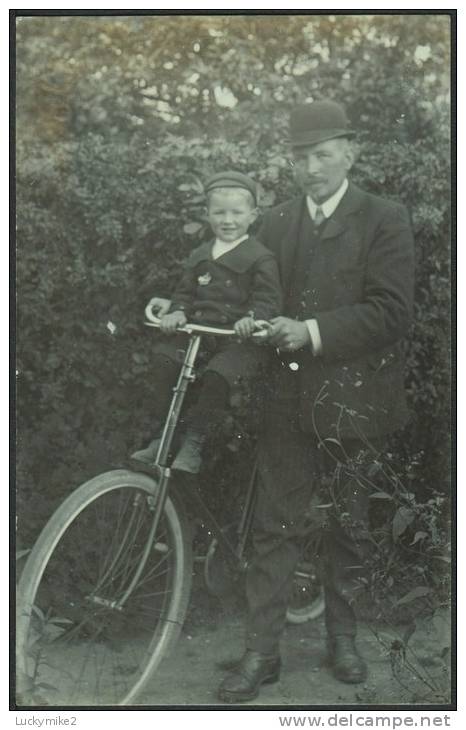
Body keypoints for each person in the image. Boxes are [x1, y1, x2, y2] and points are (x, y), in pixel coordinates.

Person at [217, 100, 415, 703]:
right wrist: (202, 311)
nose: (311, 167)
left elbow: (392, 311)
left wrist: (312, 331)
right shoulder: (274, 222)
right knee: (274, 526)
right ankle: (262, 652)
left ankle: (344, 638)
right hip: (286, 399)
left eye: (323, 154)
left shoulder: (385, 218)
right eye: (301, 156)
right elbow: (240, 291)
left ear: (349, 154)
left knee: (351, 524)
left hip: (357, 401)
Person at [132, 170, 282, 474]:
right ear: (207, 215)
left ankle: (194, 441)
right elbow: (184, 293)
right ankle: (167, 435)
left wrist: (252, 319)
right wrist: (177, 312)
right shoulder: (200, 254)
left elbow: (268, 298)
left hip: (235, 339)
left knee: (219, 375)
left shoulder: (259, 257)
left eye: (237, 213)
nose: (228, 220)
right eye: (219, 212)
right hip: (198, 335)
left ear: (253, 215)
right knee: (164, 361)